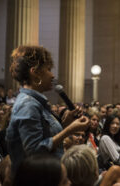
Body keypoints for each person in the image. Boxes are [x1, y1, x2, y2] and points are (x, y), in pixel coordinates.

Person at [6, 45, 90, 173]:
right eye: (48, 69)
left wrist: (64, 123)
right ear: (35, 72)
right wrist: (69, 130)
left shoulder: (36, 102)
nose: (52, 75)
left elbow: (44, 136)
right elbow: (35, 151)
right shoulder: (28, 104)